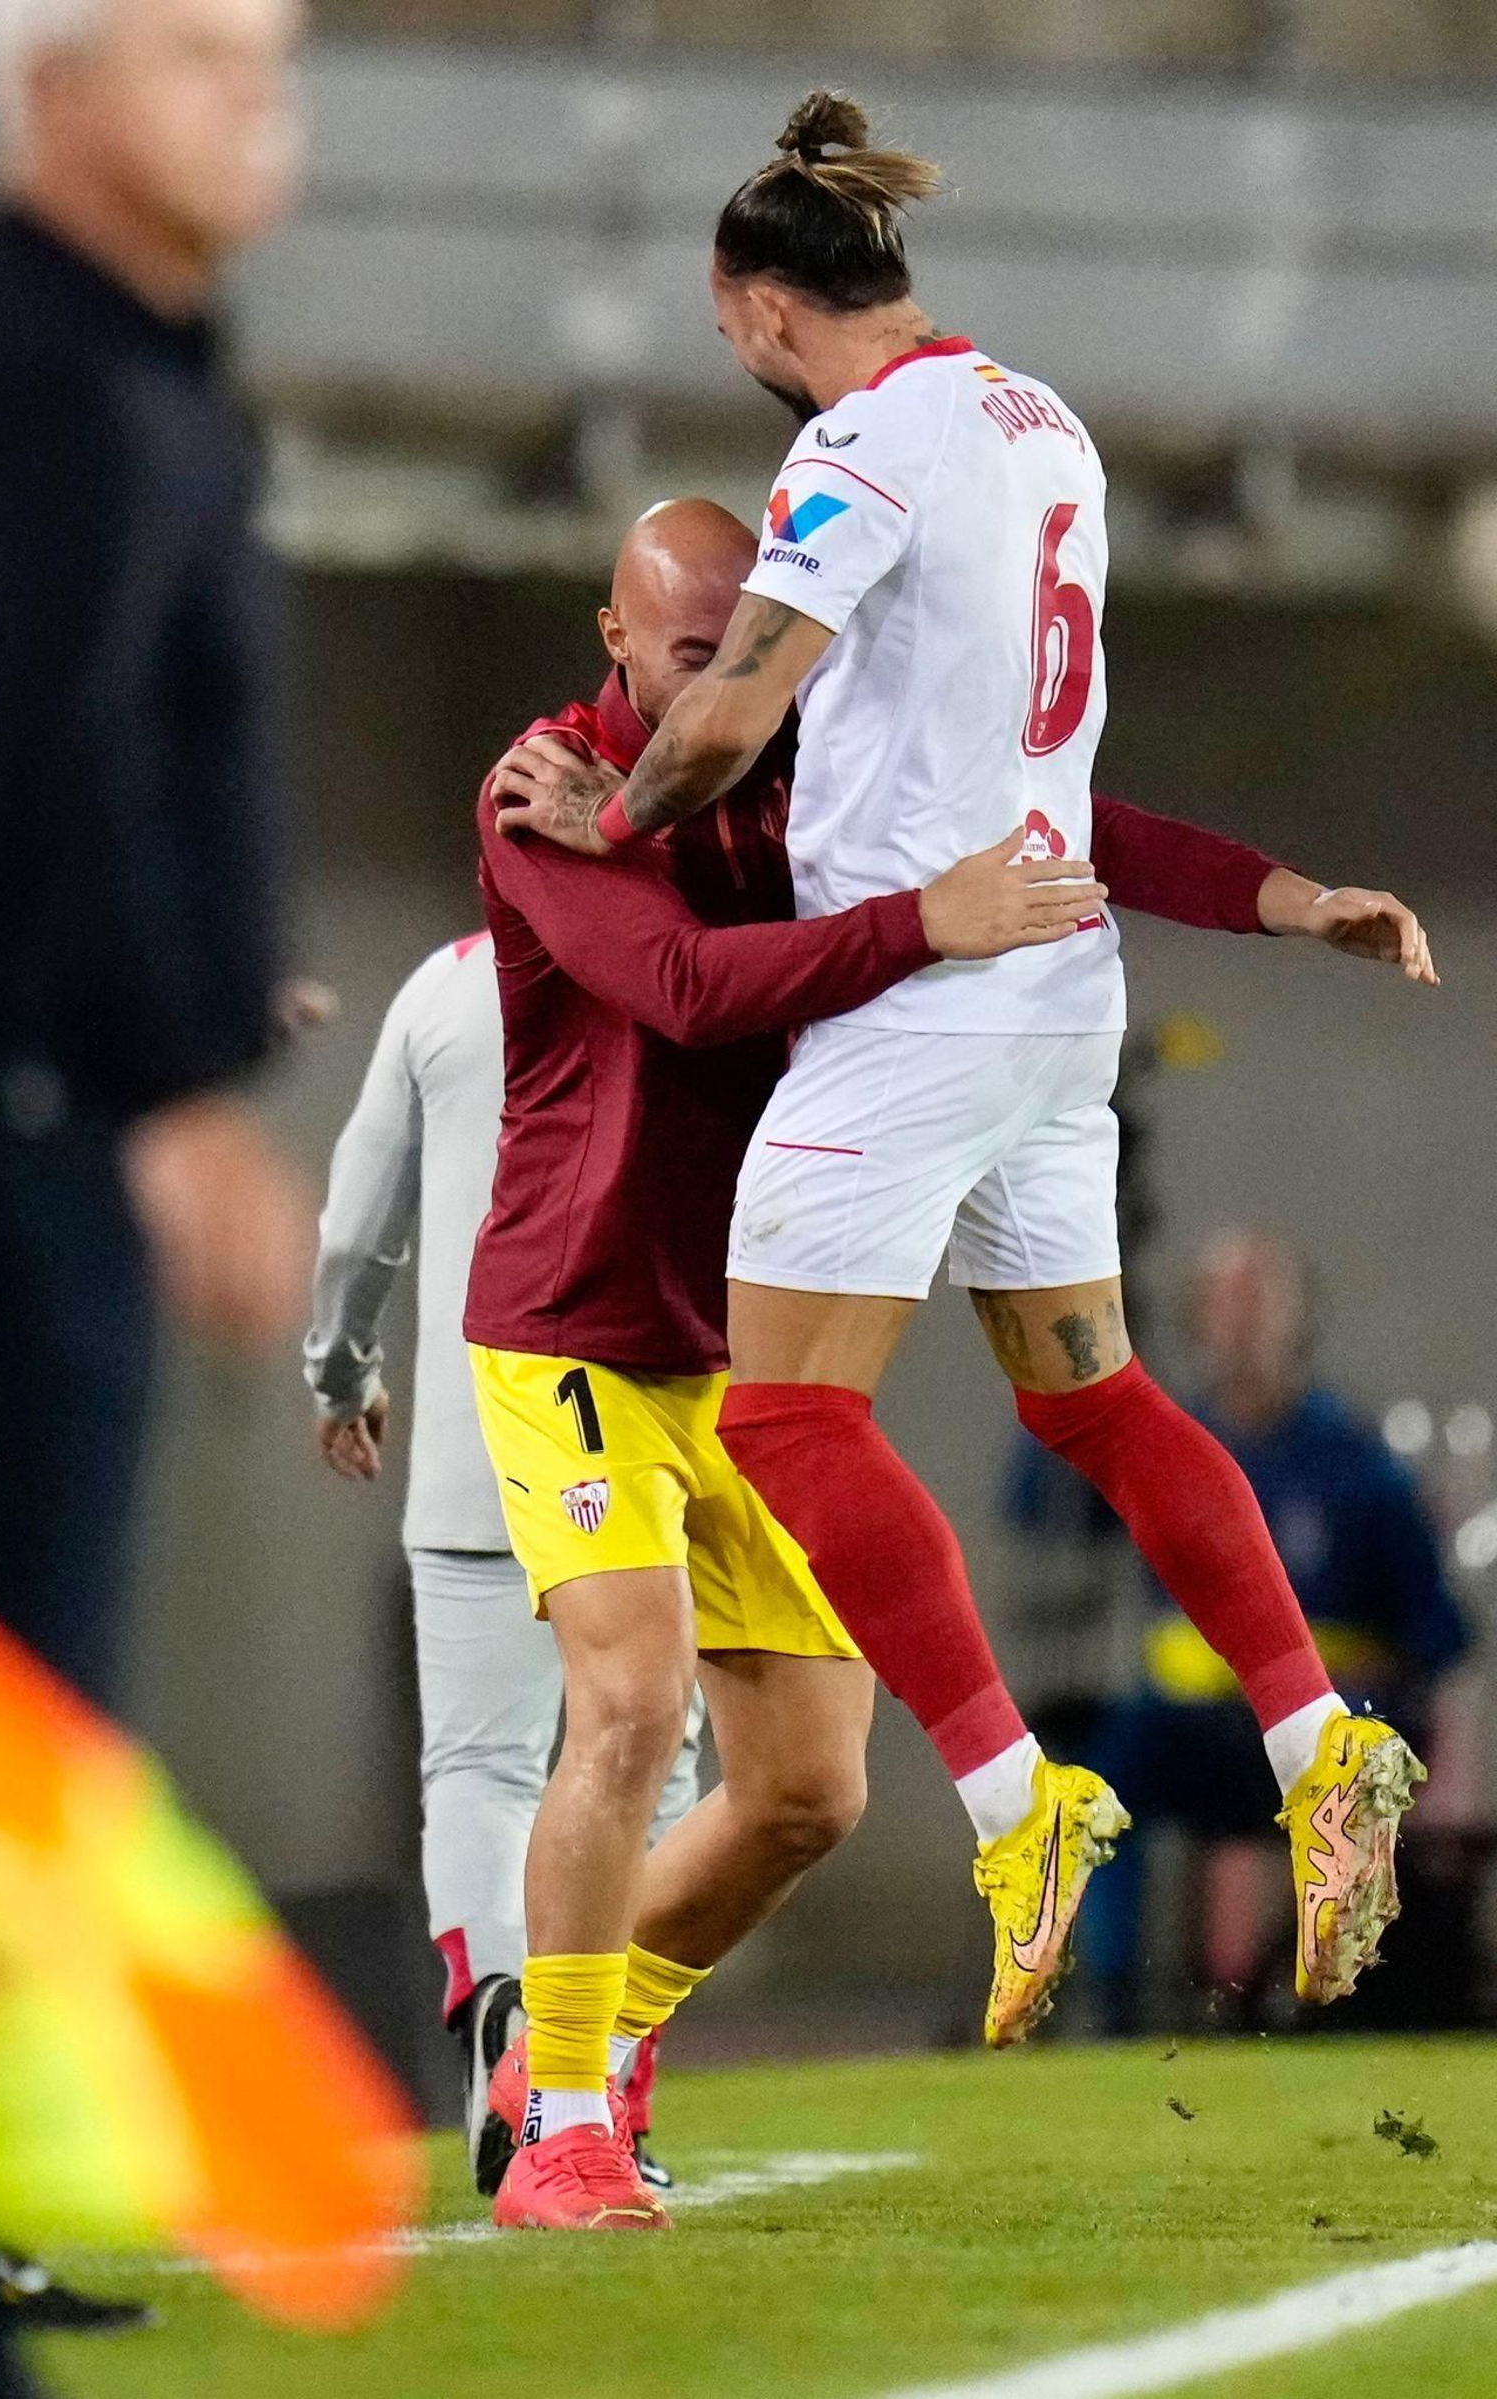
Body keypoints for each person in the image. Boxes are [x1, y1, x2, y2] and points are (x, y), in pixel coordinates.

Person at [490, 92, 1438, 2052]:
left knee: (783, 1415)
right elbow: (1053, 775)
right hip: (1061, 983)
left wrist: (612, 812)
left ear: (762, 308)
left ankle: (1018, 1803)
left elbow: (728, 708)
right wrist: (1287, 895)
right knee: (1093, 1395)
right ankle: (1317, 1733)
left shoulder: (859, 449)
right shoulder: (1043, 425)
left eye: (728, 329)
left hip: (924, 997)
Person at [464, 495, 1373, 2232]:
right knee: (634, 1700)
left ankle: (568, 2035)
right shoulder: (550, 791)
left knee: (808, 1789)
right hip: (578, 1326)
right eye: (690, 654)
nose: (726, 687)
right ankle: (567, 2123)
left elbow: (1060, 828)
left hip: (751, 1349)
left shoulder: (808, 756)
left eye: (749, 650)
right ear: (613, 638)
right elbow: (682, 985)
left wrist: (1287, 900)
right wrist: (924, 924)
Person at [0, 0, 309, 2384]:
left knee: (3, 1735)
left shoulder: (125, 367)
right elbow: (31, 765)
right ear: (48, 90)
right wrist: (161, 1096)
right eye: (194, 51)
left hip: (27, 1107)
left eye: (272, 54)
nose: (256, 95)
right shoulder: (42, 370)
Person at [304, 931, 704, 2193]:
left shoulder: (441, 985)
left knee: (477, 1762)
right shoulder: (683, 947)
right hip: (639, 1424)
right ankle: (596, 2071)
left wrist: (339, 1370)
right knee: (659, 1750)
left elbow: (357, 1220)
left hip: (474, 1435)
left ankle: (501, 2002)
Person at [1078, 1230, 1470, 2034]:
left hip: (1330, 1715)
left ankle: (1322, 1997)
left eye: (1259, 1296)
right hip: (1202, 1727)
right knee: (1106, 1774)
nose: (1241, 1319)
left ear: (1299, 1315)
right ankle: (1109, 2003)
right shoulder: (1164, 1447)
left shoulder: (1358, 1464)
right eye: (1224, 1299)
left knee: (1350, 1762)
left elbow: (1439, 1633)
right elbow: (1046, 1505)